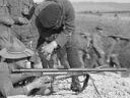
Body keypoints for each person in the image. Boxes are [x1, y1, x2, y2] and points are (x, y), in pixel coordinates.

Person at [30, 0, 87, 92]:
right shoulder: (38, 12)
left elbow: (69, 29)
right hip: (44, 33)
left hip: (65, 31)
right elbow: (33, 36)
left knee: (72, 53)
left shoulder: (68, 7)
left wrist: (53, 44)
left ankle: (75, 81)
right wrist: (34, 58)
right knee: (44, 56)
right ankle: (49, 83)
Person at [0, 31, 52, 97]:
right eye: (23, 57)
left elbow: (32, 92)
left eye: (27, 57)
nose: (26, 60)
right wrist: (32, 85)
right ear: (13, 58)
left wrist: (47, 87)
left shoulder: (17, 70)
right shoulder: (2, 68)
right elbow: (9, 93)